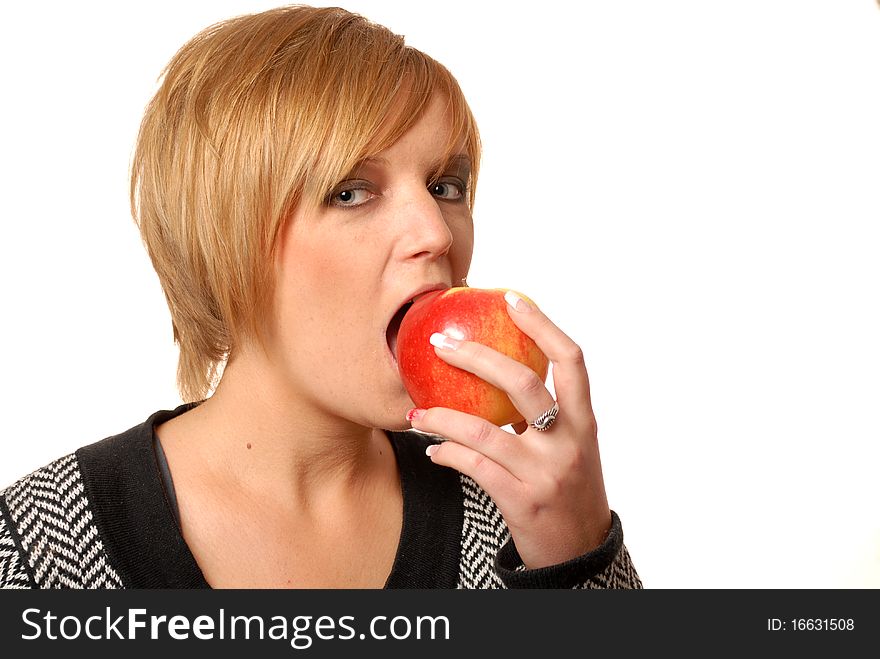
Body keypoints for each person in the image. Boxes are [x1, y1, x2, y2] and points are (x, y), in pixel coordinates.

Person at [0, 5, 641, 589]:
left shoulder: (517, 513)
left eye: (445, 186)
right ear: (224, 236)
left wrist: (574, 558)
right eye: (351, 192)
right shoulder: (32, 548)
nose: (436, 233)